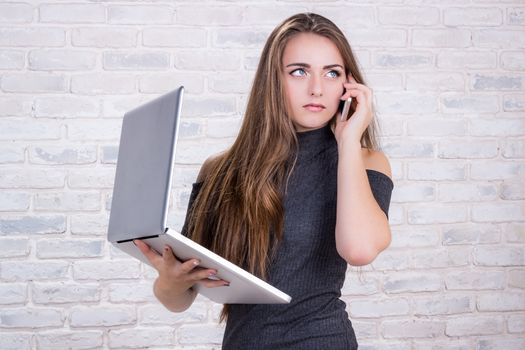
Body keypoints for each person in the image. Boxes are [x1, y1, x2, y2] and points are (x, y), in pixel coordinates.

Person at [134, 12, 394, 349]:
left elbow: (358, 249)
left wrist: (348, 141)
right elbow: (178, 299)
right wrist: (169, 280)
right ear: (273, 80)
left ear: (349, 86)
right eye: (299, 71)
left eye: (332, 73)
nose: (317, 88)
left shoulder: (365, 162)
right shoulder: (219, 172)